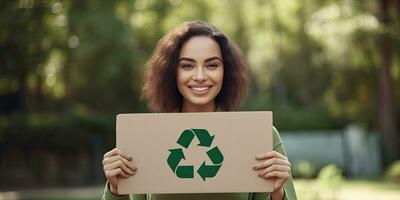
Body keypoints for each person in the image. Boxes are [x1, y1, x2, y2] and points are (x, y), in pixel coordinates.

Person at [102, 21, 297, 200]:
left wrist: (278, 193)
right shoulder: (147, 136)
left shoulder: (259, 135)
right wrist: (115, 190)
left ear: (226, 71)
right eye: (187, 66)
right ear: (172, 72)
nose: (200, 76)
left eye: (212, 65)